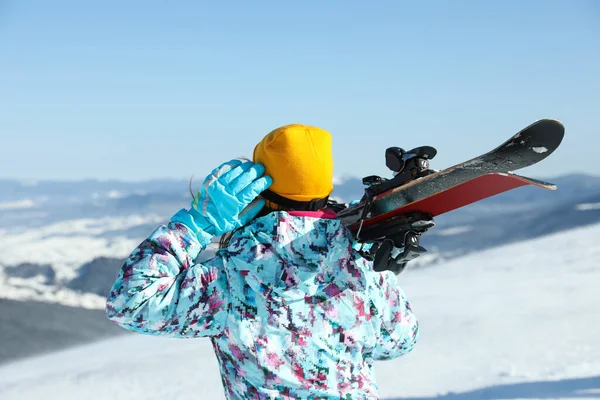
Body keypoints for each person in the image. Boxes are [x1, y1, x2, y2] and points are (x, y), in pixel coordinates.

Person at [106, 124, 419, 399]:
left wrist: (197, 223)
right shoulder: (362, 257)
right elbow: (399, 341)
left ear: (256, 190)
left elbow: (131, 303)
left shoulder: (231, 278)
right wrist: (382, 277)